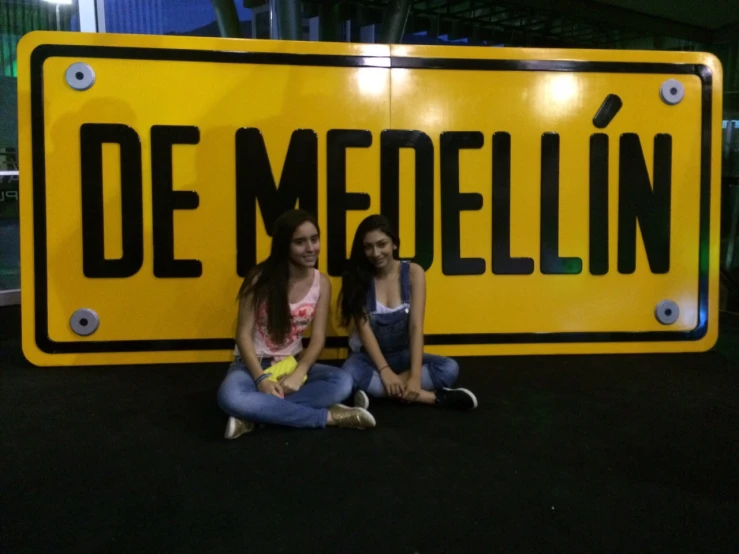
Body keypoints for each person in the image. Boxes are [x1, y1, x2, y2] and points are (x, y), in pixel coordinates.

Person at [217, 209, 376, 439]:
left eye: (314, 239)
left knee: (343, 382)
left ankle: (253, 416)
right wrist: (261, 380)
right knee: (230, 397)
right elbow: (242, 336)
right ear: (285, 245)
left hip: (292, 366)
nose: (311, 248)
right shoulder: (259, 278)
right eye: (300, 242)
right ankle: (329, 416)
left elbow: (318, 338)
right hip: (251, 366)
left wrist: (299, 371)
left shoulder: (321, 282)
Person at [339, 214, 478, 410]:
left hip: (403, 354)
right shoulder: (356, 276)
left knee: (449, 368)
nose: (375, 252)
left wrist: (414, 375)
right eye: (368, 247)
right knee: (349, 373)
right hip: (369, 358)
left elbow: (415, 327)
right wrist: (385, 371)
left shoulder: (414, 273)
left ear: (394, 244)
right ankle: (430, 398)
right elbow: (364, 331)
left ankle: (378, 393)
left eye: (382, 244)